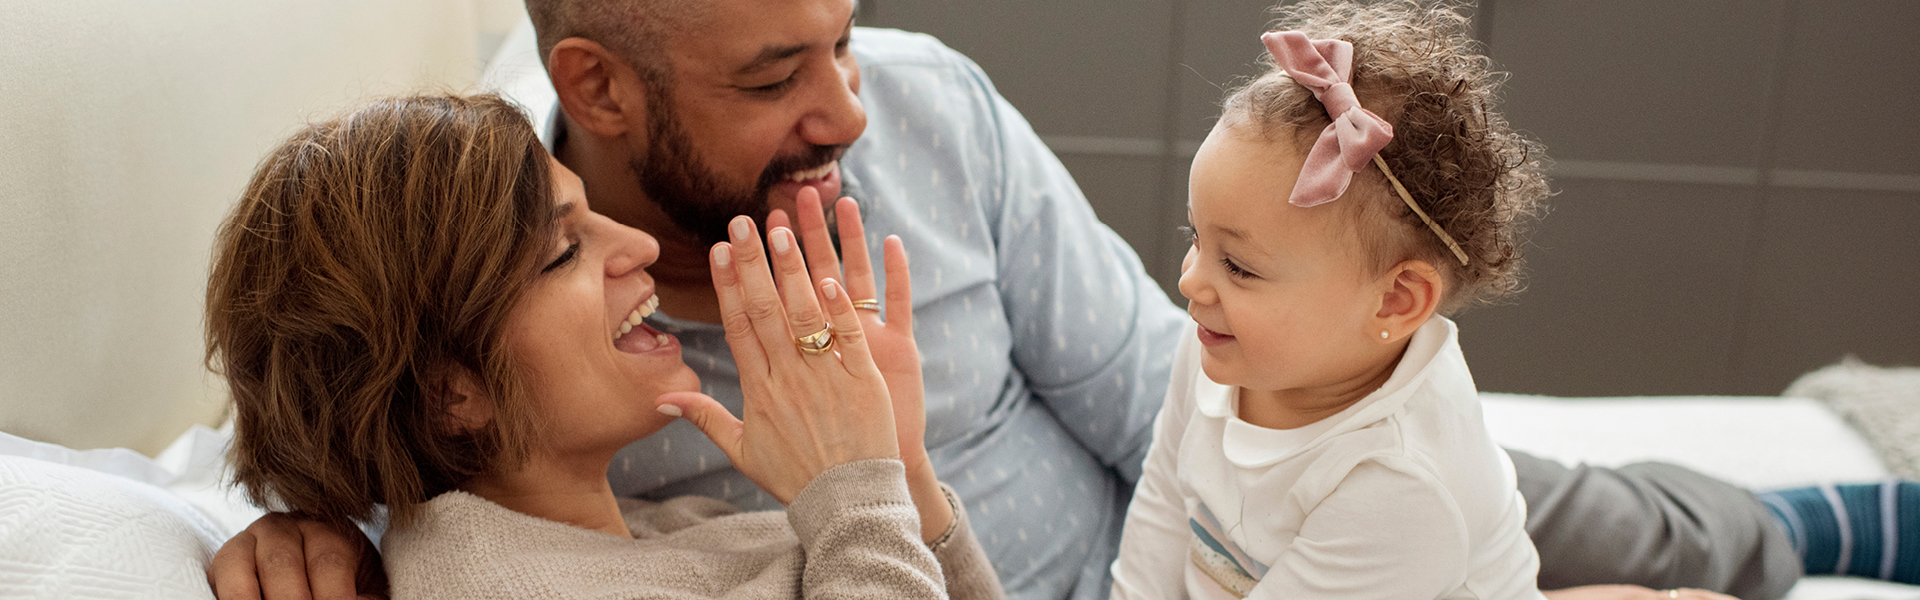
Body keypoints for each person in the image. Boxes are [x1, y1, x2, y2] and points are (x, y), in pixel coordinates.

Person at [203, 1, 1909, 599]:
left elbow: (1155, 383)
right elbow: (347, 382)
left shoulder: (924, 109)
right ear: (606, 85)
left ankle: (1843, 513)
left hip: (1200, 522)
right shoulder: (525, 330)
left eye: (846, 37)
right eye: (780, 75)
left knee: (1609, 524)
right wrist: (295, 526)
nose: (851, 112)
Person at [204, 93, 1003, 600]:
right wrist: (855, 492)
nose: (640, 247)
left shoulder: (664, 529)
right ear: (451, 391)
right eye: (564, 252)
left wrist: (902, 475)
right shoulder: (496, 587)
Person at [1108, 2, 1547, 597]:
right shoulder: (1220, 341)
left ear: (1395, 300)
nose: (1191, 282)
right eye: (1195, 237)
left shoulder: (1398, 485)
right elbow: (1164, 503)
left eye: (1237, 266)